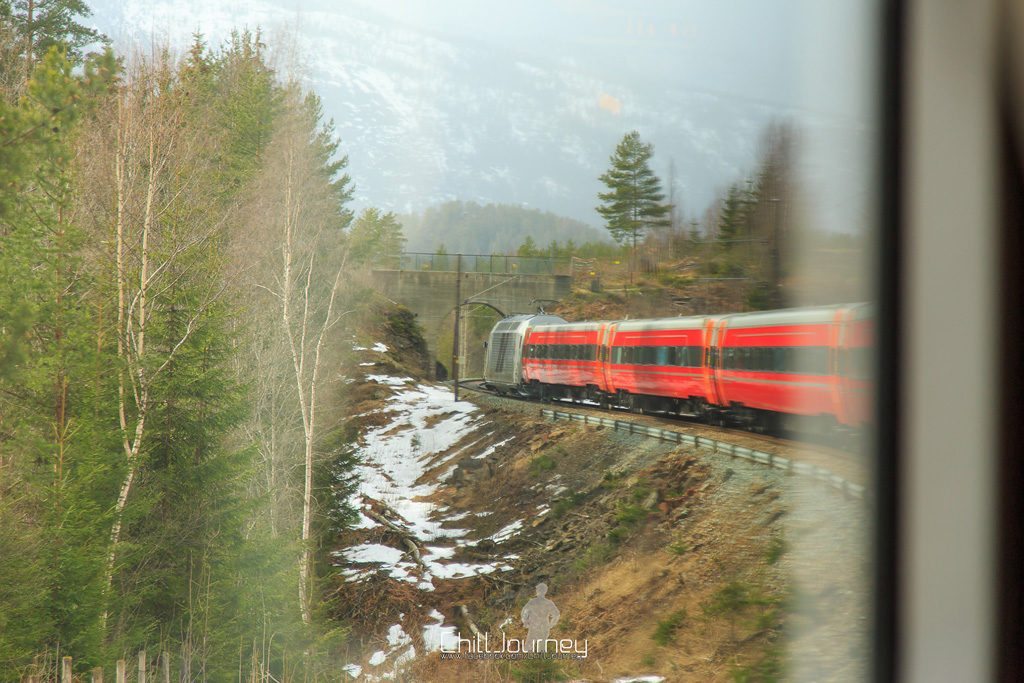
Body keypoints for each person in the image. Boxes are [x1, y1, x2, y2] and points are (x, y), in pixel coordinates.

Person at [521, 583, 560, 653]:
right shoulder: (548, 603)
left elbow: (524, 613)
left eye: (538, 589)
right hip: (543, 625)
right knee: (541, 647)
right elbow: (556, 614)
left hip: (534, 626)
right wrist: (551, 624)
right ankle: (539, 661)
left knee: (529, 646)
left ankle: (530, 661)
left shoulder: (532, 602)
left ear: (538, 591)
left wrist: (526, 622)